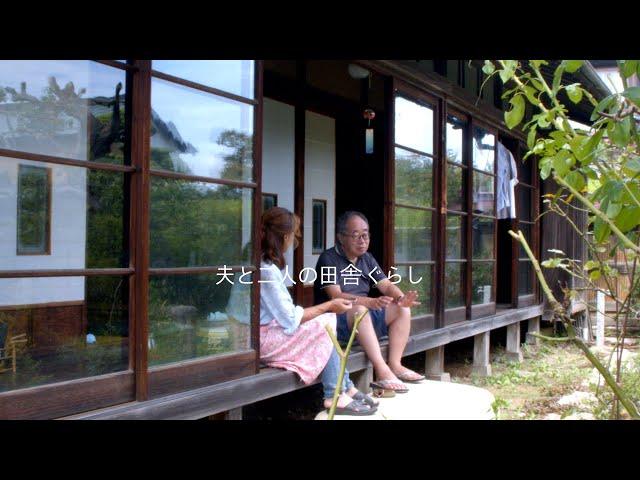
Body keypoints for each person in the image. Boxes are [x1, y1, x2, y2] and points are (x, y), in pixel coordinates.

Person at [259, 207, 379, 415]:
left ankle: (346, 387)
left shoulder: (263, 264)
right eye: (294, 235)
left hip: (263, 333)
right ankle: (334, 395)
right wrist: (329, 306)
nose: (295, 240)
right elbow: (290, 319)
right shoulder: (266, 271)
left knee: (323, 322)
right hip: (261, 340)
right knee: (324, 323)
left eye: (365, 234)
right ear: (284, 236)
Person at [314, 210, 425, 393]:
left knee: (402, 309)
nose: (362, 240)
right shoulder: (328, 258)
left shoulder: (367, 259)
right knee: (359, 310)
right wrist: (369, 302)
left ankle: (395, 364)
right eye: (356, 235)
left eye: (365, 234)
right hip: (336, 322)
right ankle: (382, 371)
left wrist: (401, 298)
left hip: (364, 318)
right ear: (341, 237)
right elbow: (336, 296)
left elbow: (387, 286)